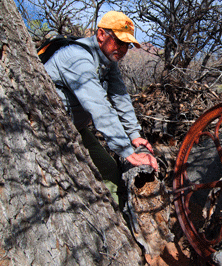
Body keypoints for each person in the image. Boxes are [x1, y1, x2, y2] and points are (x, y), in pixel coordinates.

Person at [43, 11, 158, 204]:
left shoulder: (108, 62)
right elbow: (99, 106)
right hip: (48, 132)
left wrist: (134, 135)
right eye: (119, 42)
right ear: (101, 34)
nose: (122, 50)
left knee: (111, 174)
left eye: (127, 45)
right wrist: (126, 150)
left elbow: (121, 98)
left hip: (74, 130)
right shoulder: (76, 57)